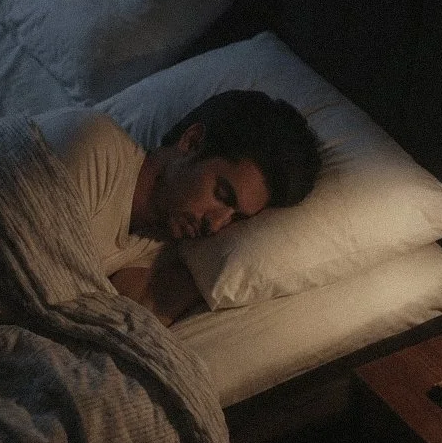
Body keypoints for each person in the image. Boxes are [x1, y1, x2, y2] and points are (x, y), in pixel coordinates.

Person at [39, 90, 322, 326]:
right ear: (191, 142)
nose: (216, 224)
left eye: (236, 218)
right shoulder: (96, 148)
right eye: (222, 195)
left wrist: (200, 281)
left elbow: (117, 332)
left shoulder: (155, 247)